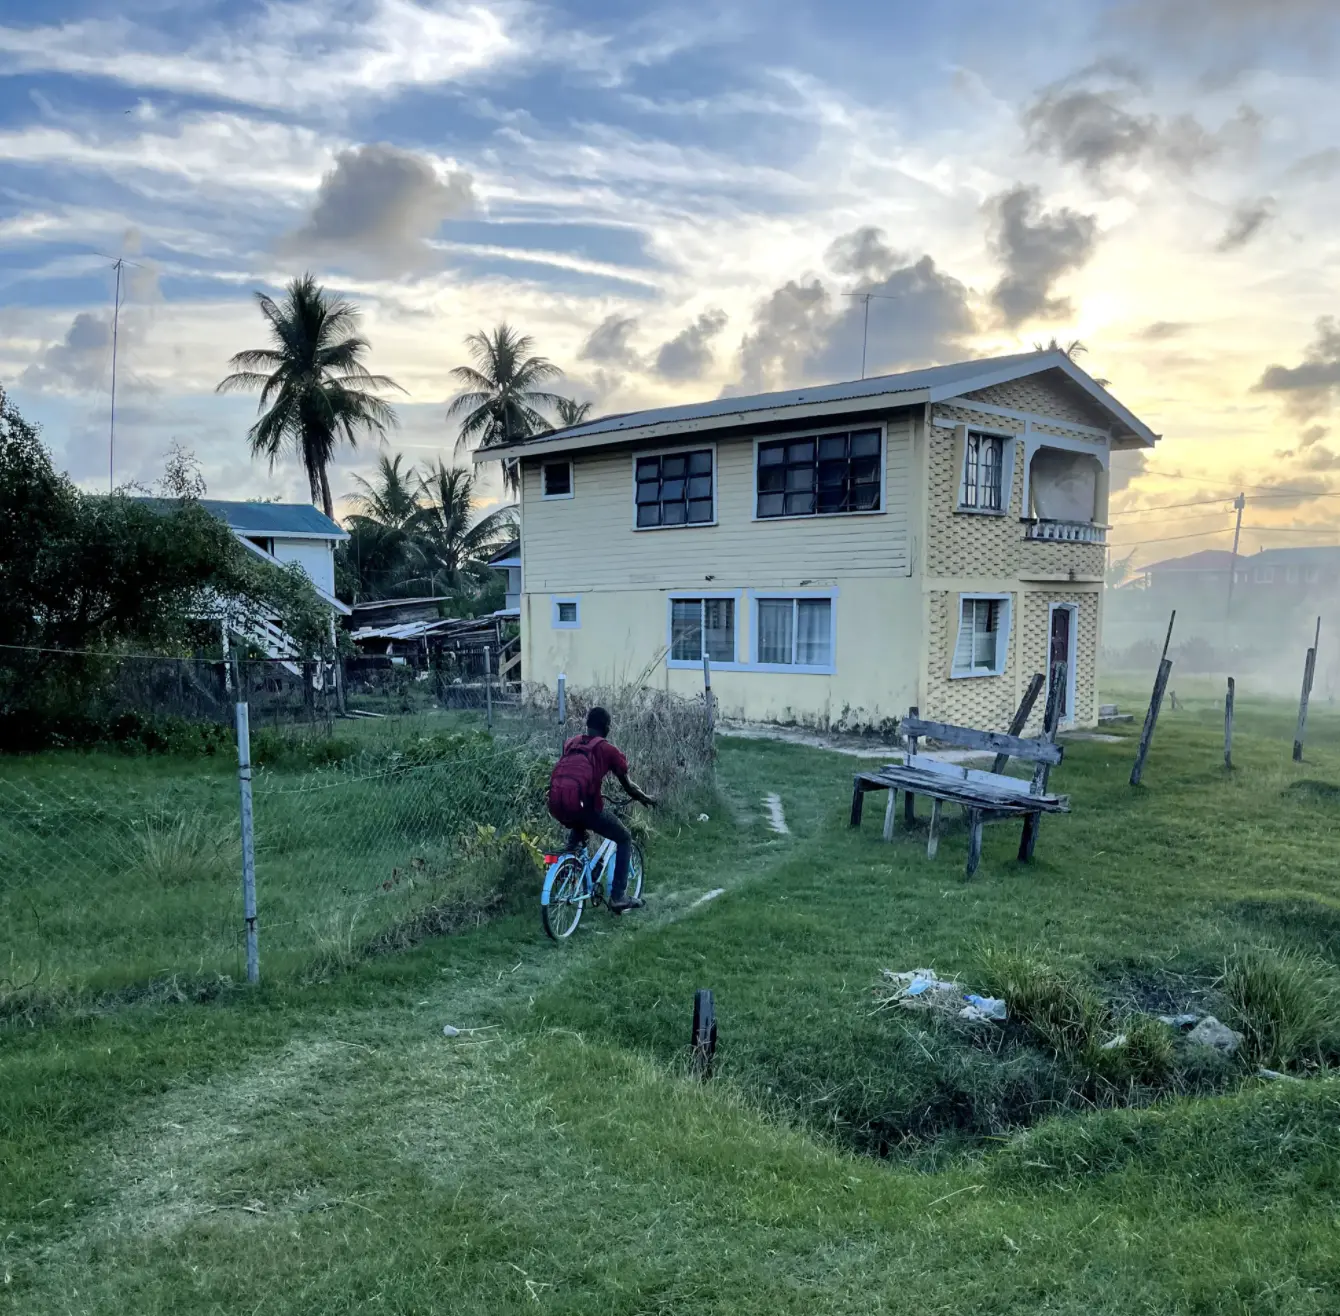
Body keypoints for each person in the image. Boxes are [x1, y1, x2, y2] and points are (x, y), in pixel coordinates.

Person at [547, 706, 655, 913]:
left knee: (576, 834)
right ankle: (618, 897)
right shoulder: (607, 750)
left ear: (587, 725)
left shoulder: (571, 743)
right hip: (587, 807)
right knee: (623, 837)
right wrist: (645, 799)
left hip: (560, 804)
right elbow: (628, 786)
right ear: (607, 727)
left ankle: (565, 878)